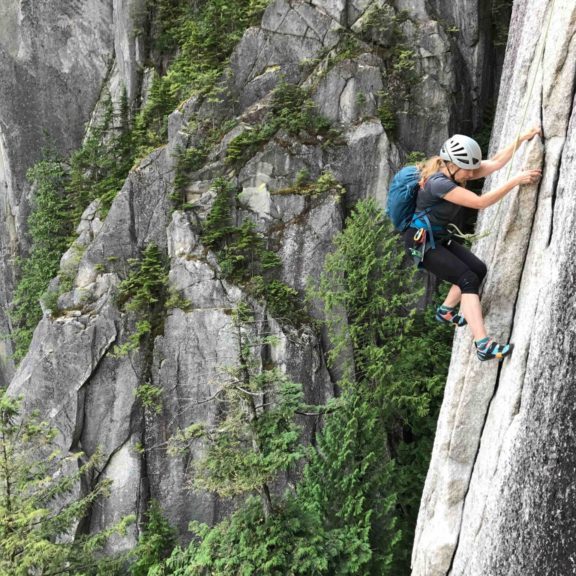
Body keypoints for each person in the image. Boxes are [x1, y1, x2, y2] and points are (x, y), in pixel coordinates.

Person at [405, 129, 542, 361]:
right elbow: (480, 202)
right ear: (452, 165)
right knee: (467, 279)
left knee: (478, 270)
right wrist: (516, 180)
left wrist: (521, 138)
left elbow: (496, 162)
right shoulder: (439, 183)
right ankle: (483, 345)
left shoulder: (455, 171)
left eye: (471, 168)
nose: (470, 174)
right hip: (422, 242)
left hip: (436, 237)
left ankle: (446, 311)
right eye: (466, 169)